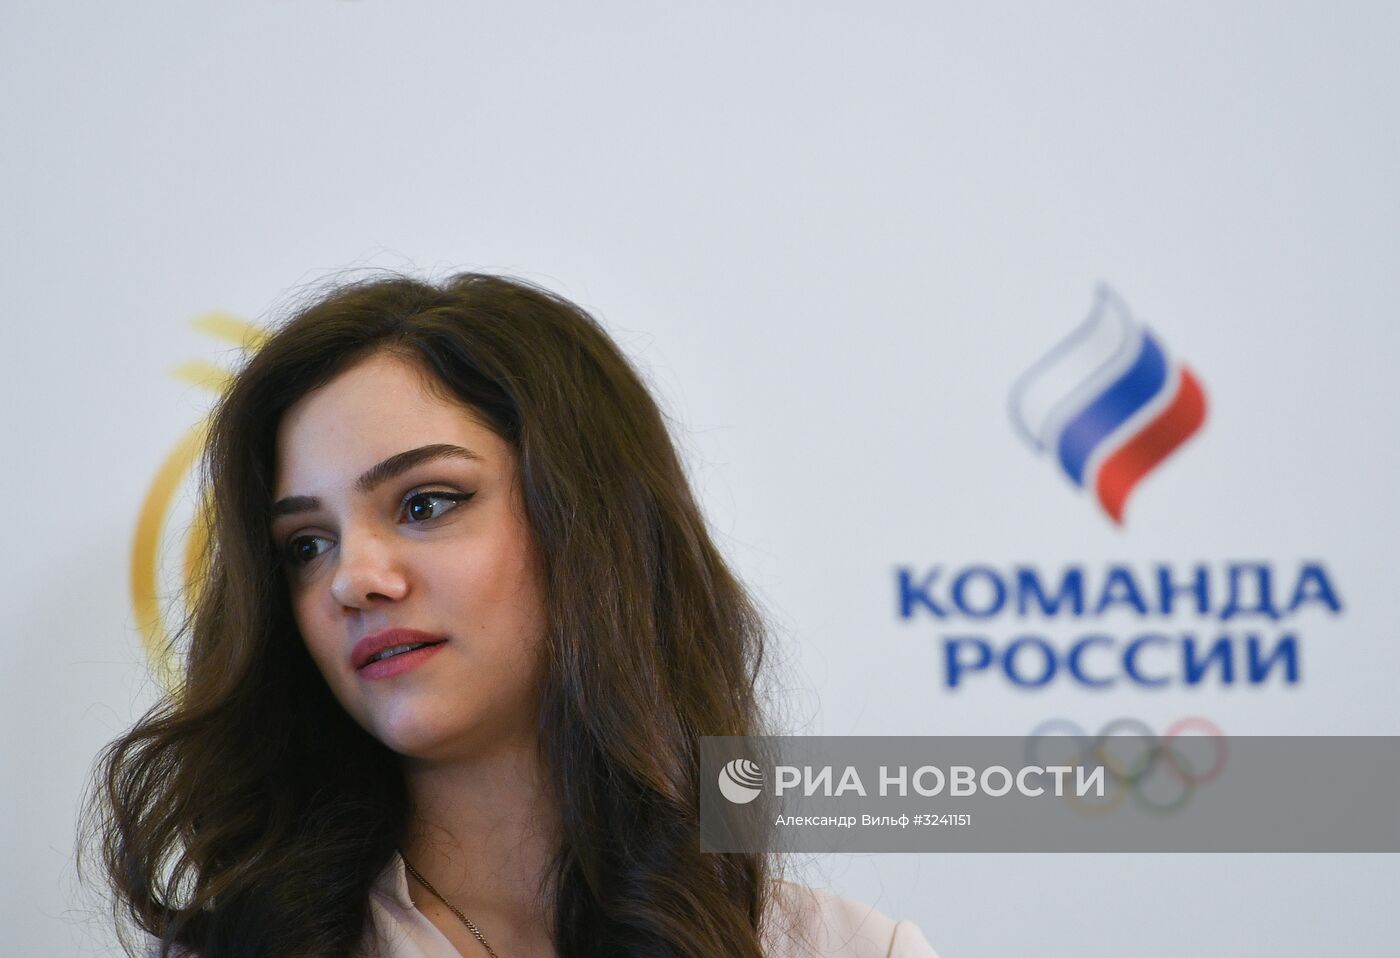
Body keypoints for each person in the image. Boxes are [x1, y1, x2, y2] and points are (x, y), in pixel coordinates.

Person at [85, 273, 940, 958]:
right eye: (306, 545)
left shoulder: (843, 949)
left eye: (425, 503)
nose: (353, 579)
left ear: (591, 526)